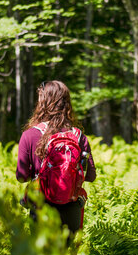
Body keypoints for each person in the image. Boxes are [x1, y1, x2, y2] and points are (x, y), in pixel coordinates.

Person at [16, 80, 96, 233]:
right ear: (67, 103)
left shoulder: (30, 135)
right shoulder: (79, 136)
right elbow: (91, 176)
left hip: (40, 209)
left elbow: (21, 177)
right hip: (72, 210)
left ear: (42, 103)